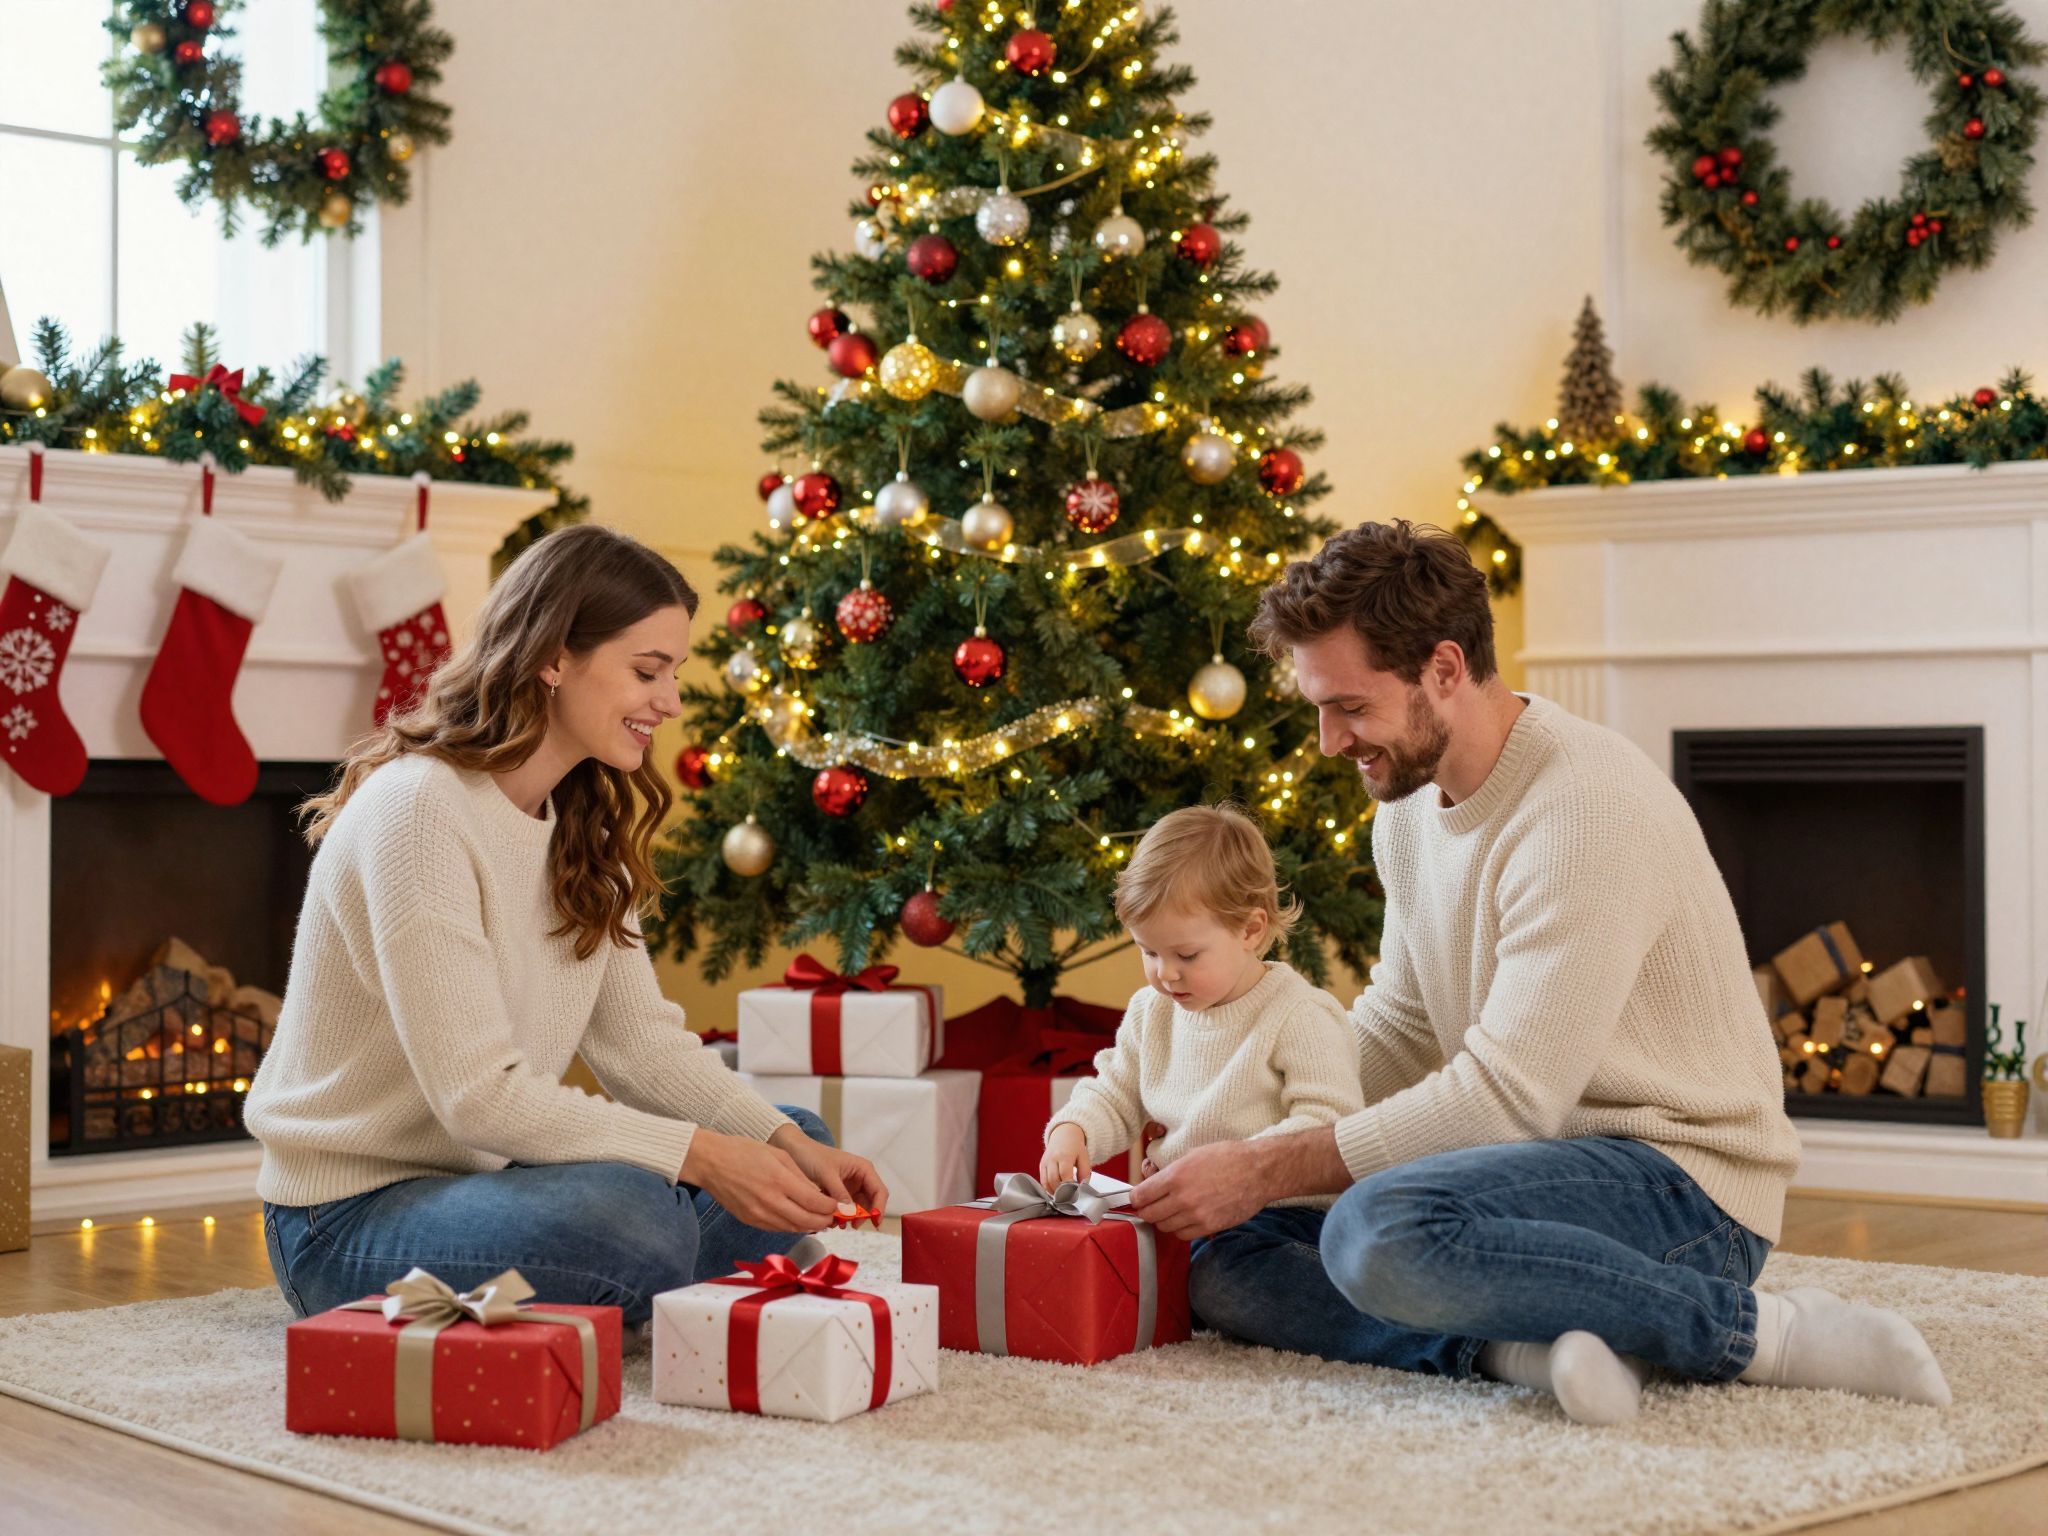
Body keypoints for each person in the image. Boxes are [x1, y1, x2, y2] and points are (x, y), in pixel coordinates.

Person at [1124, 518, 1950, 1424]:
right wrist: (1238, 1132)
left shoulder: (1583, 807)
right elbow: (1400, 1026)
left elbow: (1510, 1097)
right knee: (1228, 1257)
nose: (1328, 741)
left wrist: (1273, 1162)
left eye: (1351, 707)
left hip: (1681, 1189)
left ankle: (1761, 1331)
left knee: (1375, 1234)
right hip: (1519, 1174)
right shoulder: (1406, 810)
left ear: (1444, 669)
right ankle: (1521, 1348)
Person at [248, 523, 882, 1325]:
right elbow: (478, 1100)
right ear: (554, 658)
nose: (671, 702)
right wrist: (706, 1159)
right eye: (647, 671)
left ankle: (620, 1286)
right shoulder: (418, 810)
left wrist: (778, 1148)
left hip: (485, 1188)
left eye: (674, 674)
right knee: (630, 1213)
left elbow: (642, 1048)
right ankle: (647, 1276)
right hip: (342, 1227)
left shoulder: (579, 825)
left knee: (792, 1133)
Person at [1039, 804, 1362, 1208]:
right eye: (1149, 952)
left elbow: (1331, 1129)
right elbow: (1114, 1094)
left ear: (1250, 929)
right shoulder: (1150, 1011)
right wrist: (1073, 1130)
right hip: (1180, 1209)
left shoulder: (1300, 1014)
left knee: (1229, 1267)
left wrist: (1232, 1170)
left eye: (1187, 956)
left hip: (1274, 1216)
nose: (1166, 974)